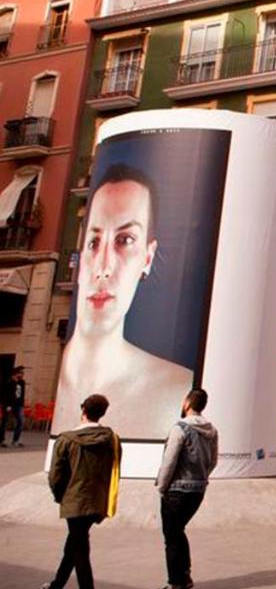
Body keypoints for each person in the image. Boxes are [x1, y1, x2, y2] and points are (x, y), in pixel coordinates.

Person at [54, 165, 192, 438]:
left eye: (124, 240)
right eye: (94, 242)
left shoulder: (177, 387)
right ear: (81, 258)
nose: (103, 267)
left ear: (148, 258)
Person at [42, 393, 121, 589]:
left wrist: (61, 497)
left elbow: (55, 476)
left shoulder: (66, 439)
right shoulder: (112, 438)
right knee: (74, 546)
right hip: (97, 502)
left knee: (80, 552)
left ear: (83, 410)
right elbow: (114, 470)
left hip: (75, 502)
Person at [151, 389, 219, 589]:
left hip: (177, 490)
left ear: (188, 402)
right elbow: (214, 461)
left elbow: (169, 461)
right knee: (178, 532)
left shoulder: (179, 428)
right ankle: (184, 576)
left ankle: (173, 587)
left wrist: (162, 486)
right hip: (198, 489)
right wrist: (202, 477)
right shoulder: (212, 430)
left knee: (171, 537)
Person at [2, 365, 26, 447]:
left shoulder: (22, 382)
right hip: (9, 405)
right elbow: (6, 394)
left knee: (21, 421)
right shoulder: (9, 382)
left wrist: (22, 405)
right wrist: (8, 404)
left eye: (23, 373)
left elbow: (22, 395)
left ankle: (15, 440)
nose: (22, 375)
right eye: (21, 373)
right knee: (4, 422)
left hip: (19, 405)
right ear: (16, 373)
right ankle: (1, 440)